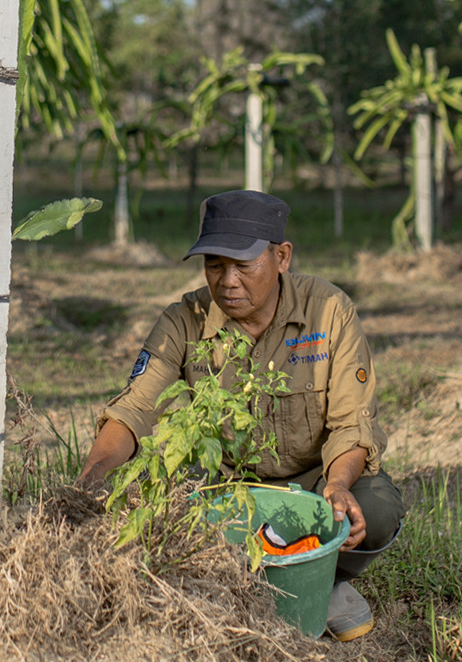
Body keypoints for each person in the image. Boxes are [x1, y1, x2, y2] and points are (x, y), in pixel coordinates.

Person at [75, 190, 405, 642]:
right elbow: (134, 410)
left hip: (314, 480)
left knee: (376, 509)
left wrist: (338, 485)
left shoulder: (329, 311)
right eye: (214, 264)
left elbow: (352, 424)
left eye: (243, 265)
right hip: (225, 488)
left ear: (282, 257)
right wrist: (88, 481)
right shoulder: (183, 321)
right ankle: (249, 585)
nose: (227, 281)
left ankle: (325, 580)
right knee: (152, 503)